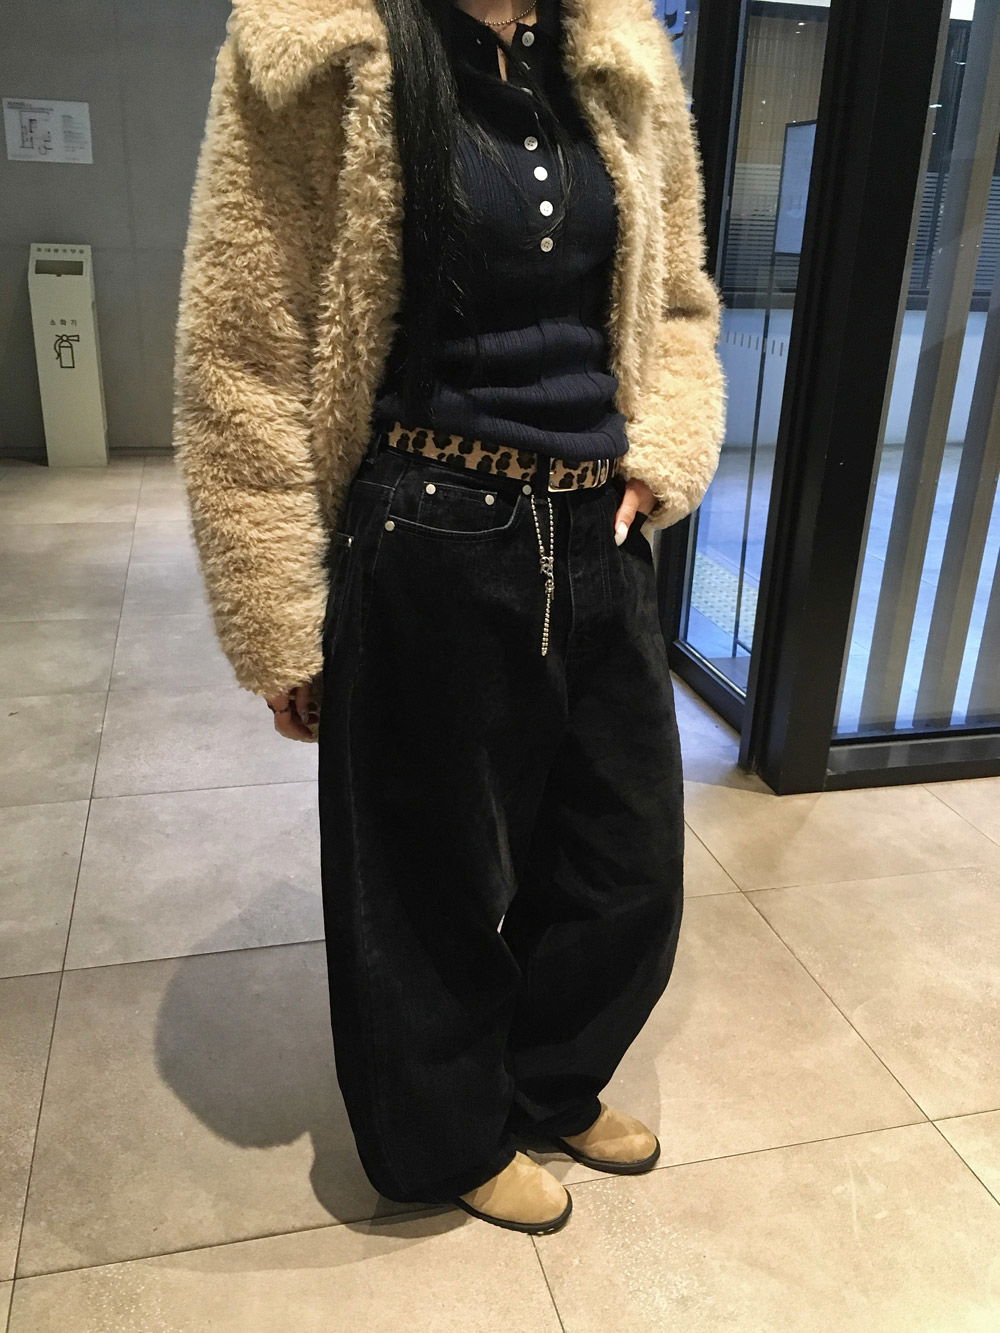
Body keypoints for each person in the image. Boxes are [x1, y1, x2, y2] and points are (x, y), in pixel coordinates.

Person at [173, 0, 726, 1236]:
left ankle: (545, 1080)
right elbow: (244, 348)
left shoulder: (616, 51)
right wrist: (279, 617)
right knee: (426, 877)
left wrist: (658, 462)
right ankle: (447, 1136)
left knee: (624, 861)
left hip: (599, 531)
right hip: (430, 530)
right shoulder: (320, 49)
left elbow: (679, 302)